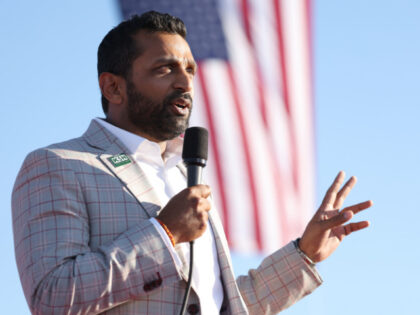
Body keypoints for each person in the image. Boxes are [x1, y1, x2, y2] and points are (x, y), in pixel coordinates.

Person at [11, 11, 372, 315]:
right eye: (165, 69)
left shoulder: (185, 174)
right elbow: (53, 296)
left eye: (189, 70)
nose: (185, 82)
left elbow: (216, 303)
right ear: (113, 88)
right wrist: (164, 235)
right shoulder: (57, 165)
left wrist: (303, 254)